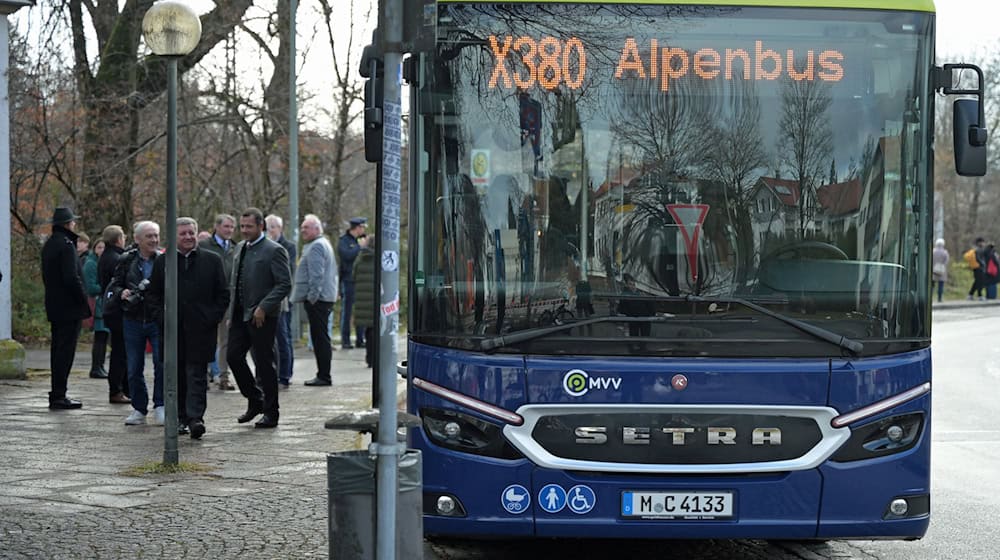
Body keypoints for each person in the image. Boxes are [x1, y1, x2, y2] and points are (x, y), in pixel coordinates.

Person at [147, 218, 229, 439]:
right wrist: (162, 318)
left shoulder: (212, 260)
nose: (188, 237)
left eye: (191, 233)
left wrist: (211, 317)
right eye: (182, 233)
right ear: (174, 236)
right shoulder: (163, 262)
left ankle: (195, 418)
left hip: (201, 330)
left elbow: (222, 294)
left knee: (197, 376)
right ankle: (180, 417)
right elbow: (153, 295)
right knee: (176, 375)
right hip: (173, 331)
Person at [227, 208, 291, 428]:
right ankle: (255, 400)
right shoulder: (239, 248)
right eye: (242, 226)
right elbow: (234, 281)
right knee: (233, 356)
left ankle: (271, 413)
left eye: (249, 227)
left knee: (264, 364)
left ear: (260, 226)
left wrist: (264, 307)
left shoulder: (274, 250)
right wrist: (230, 311)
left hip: (263, 316)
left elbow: (284, 284)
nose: (244, 231)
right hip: (239, 314)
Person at [109, 221, 165, 426]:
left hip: (156, 320)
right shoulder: (126, 260)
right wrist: (120, 293)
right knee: (133, 367)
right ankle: (139, 408)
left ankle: (160, 405)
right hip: (132, 319)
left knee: (161, 364)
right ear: (138, 239)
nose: (154, 240)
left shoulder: (164, 260)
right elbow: (114, 285)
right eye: (149, 236)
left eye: (156, 236)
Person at [40, 207, 90, 409]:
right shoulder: (67, 245)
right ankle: (59, 394)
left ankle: (57, 393)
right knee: (65, 352)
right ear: (68, 224)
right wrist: (82, 299)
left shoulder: (50, 244)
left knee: (57, 350)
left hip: (54, 305)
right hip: (69, 307)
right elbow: (71, 277)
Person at [291, 214, 339, 386]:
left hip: (319, 300)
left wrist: (312, 297)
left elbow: (316, 275)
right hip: (323, 298)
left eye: (306, 227)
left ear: (317, 229)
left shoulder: (317, 246)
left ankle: (324, 376)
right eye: (302, 227)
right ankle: (323, 374)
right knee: (320, 337)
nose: (303, 230)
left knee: (320, 338)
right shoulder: (321, 243)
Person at [199, 213, 238, 390]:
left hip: (227, 299)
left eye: (232, 227)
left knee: (226, 339)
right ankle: (203, 375)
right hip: (207, 298)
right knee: (205, 338)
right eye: (226, 227)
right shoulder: (204, 246)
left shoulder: (236, 248)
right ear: (217, 226)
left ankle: (223, 376)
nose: (229, 230)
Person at [98, 225, 130, 404]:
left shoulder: (105, 257)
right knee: (120, 352)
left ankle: (123, 388)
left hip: (110, 309)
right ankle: (117, 389)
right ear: (119, 239)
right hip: (117, 310)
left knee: (119, 350)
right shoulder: (117, 259)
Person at [265, 214, 297, 387]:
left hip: (282, 299)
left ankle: (285, 374)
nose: (270, 231)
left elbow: (288, 272)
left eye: (272, 227)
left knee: (283, 337)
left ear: (280, 229)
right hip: (266, 298)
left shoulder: (288, 247)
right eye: (267, 228)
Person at [338, 217, 368, 349]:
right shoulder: (344, 241)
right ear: (357, 227)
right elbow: (346, 256)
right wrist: (359, 247)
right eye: (362, 227)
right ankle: (345, 340)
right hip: (348, 280)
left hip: (360, 280)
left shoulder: (360, 240)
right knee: (347, 311)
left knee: (360, 311)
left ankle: (360, 339)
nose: (364, 230)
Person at [82, 238, 109, 379]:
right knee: (100, 338)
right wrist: (106, 287)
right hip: (97, 305)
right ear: (94, 248)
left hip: (102, 305)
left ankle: (100, 366)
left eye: (104, 247)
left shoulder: (100, 263)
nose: (102, 250)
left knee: (103, 338)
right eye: (99, 247)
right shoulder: (91, 264)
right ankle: (96, 367)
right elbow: (91, 287)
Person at [352, 244, 375, 369]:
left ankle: (369, 357)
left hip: (362, 298)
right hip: (375, 299)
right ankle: (374, 358)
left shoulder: (360, 258)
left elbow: (353, 275)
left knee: (368, 329)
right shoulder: (379, 258)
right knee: (374, 330)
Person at [932, 238, 949, 303]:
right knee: (940, 285)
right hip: (942, 271)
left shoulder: (933, 251)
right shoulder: (945, 252)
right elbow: (946, 261)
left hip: (933, 270)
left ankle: (931, 297)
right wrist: (942, 266)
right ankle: (939, 298)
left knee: (932, 285)